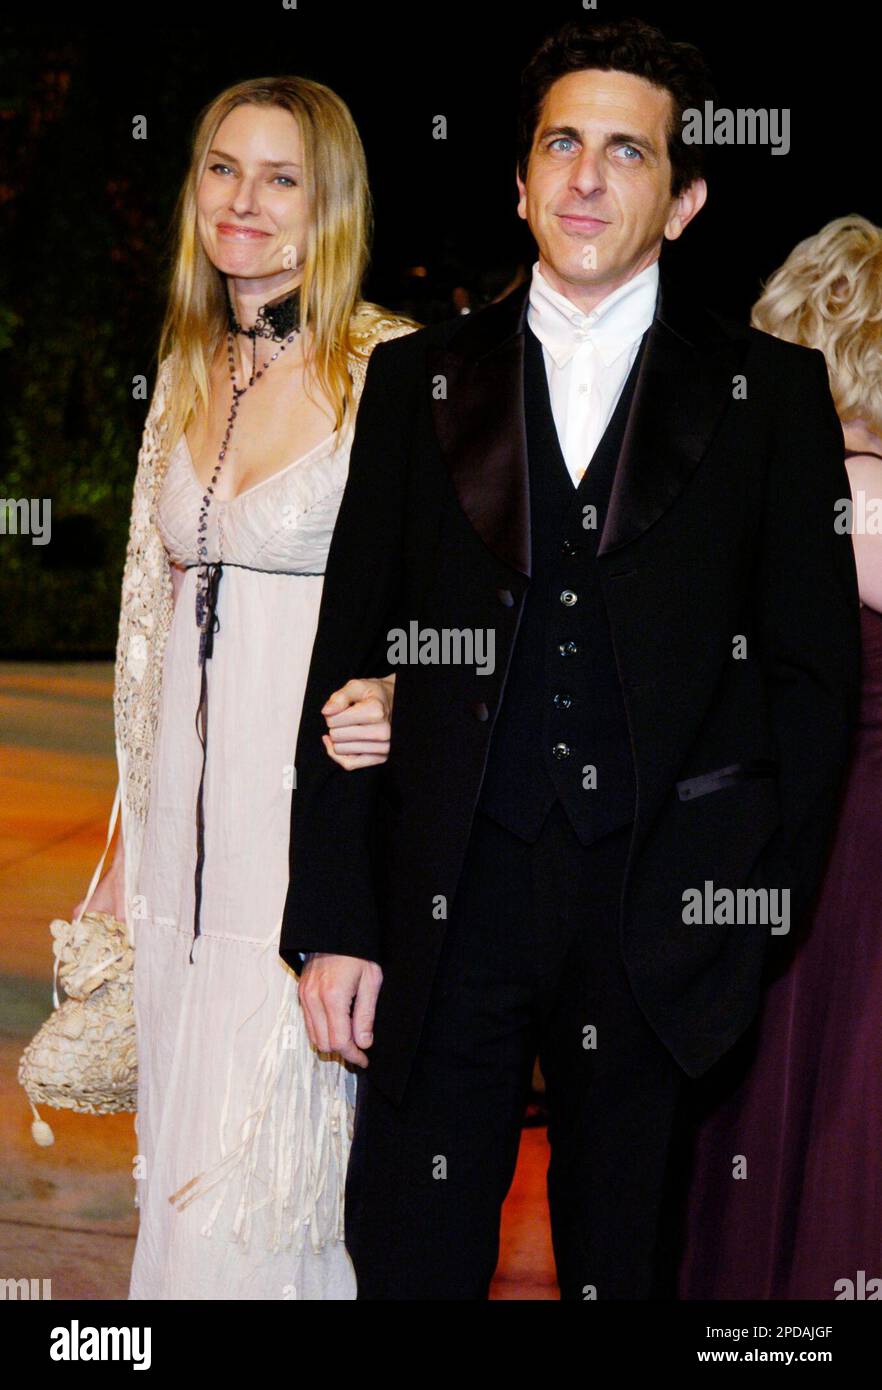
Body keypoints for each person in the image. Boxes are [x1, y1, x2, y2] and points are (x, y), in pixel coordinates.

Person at [280, 18, 861, 1300]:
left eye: (626, 151)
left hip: (657, 928)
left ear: (686, 197)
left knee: (625, 1267)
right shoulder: (415, 380)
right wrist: (331, 919)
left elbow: (815, 687)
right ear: (523, 178)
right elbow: (346, 656)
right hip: (445, 906)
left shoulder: (775, 396)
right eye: (562, 143)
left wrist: (743, 916)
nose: (588, 176)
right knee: (412, 1258)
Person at [72, 75, 414, 1300]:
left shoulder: (395, 370)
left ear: (329, 204)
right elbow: (147, 622)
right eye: (224, 168)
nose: (246, 203)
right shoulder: (183, 364)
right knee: (180, 1173)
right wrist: (126, 834)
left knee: (272, 1196)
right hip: (181, 848)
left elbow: (485, 612)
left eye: (282, 178)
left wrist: (404, 693)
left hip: (309, 839)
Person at [678, 215, 882, 1300]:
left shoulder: (792, 485)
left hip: (796, 852)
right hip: (837, 856)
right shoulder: (845, 487)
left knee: (784, 1132)